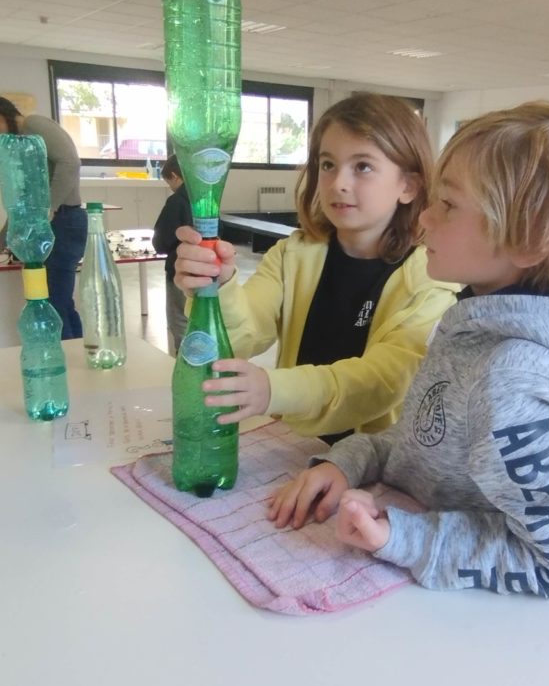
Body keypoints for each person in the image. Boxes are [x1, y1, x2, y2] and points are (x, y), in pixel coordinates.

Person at [268, 102, 549, 608]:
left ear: (530, 237)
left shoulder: (516, 383)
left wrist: (403, 538)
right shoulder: (474, 321)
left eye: (447, 204)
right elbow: (419, 442)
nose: (424, 216)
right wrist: (347, 462)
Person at [174, 93, 457, 440]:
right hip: (293, 442)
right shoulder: (292, 255)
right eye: (328, 165)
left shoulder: (432, 280)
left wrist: (273, 390)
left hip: (373, 465)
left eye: (363, 167)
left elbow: (381, 381)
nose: (339, 182)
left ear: (409, 186)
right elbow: (242, 334)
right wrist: (217, 288)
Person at [0, 97, 87, 339]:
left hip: (64, 221)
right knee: (61, 303)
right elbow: (24, 197)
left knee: (54, 305)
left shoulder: (34, 124)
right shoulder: (20, 143)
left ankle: (67, 364)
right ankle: (78, 357)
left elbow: (71, 162)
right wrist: (5, 236)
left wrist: (49, 207)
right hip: (54, 221)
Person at [152, 155, 192, 354]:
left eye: (169, 181)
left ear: (175, 176)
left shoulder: (176, 201)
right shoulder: (205, 198)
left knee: (180, 320)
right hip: (208, 269)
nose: (170, 186)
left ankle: (187, 365)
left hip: (180, 270)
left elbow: (161, 241)